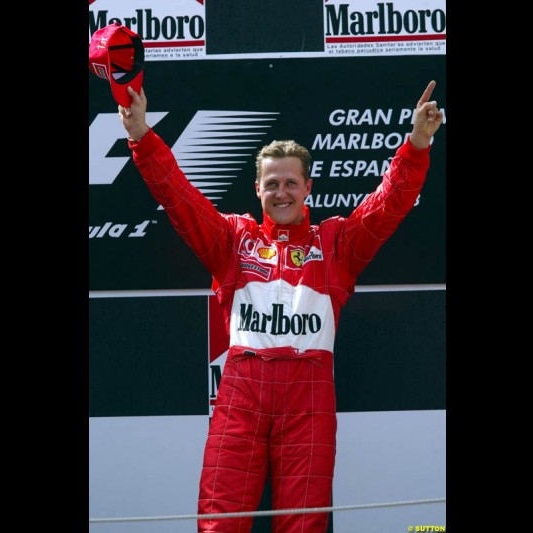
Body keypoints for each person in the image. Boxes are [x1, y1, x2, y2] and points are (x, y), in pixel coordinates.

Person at [118, 81, 443, 533]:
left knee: (302, 525)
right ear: (257, 189)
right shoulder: (233, 240)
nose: (282, 192)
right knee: (219, 521)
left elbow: (388, 206)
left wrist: (417, 145)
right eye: (272, 184)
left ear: (308, 187)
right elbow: (179, 198)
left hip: (309, 397)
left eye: (291, 182)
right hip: (241, 394)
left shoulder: (335, 244)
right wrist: (141, 137)